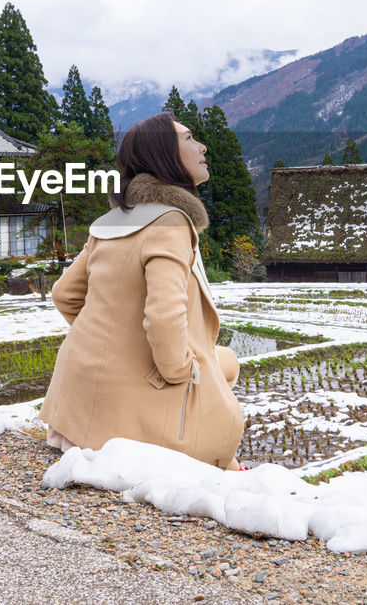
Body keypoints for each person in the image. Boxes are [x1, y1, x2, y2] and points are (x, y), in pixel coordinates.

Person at [39, 112, 245, 470]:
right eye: (188, 138)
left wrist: (114, 343)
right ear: (163, 153)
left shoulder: (109, 222)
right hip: (122, 428)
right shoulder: (171, 221)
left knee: (223, 362)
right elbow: (164, 318)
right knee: (221, 383)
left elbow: (64, 295)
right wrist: (178, 372)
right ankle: (224, 467)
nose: (202, 146)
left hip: (72, 410)